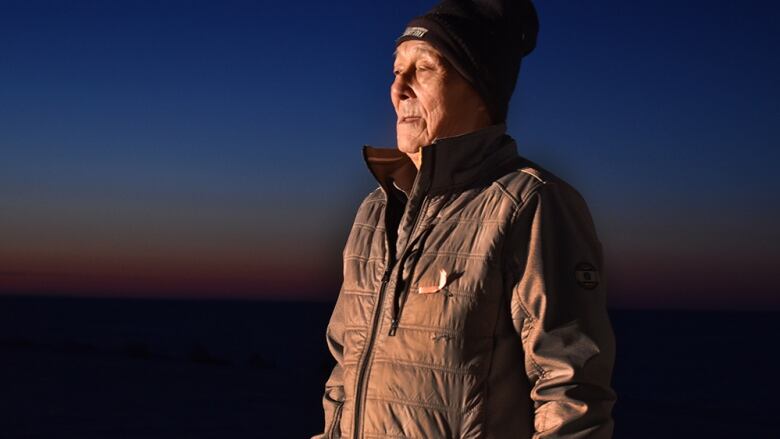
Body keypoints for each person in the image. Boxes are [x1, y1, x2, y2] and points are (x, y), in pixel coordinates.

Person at [313, 1, 617, 437]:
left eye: (425, 69)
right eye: (396, 70)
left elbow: (572, 395)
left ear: (480, 91)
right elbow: (345, 371)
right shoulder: (375, 211)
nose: (399, 88)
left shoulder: (530, 204)